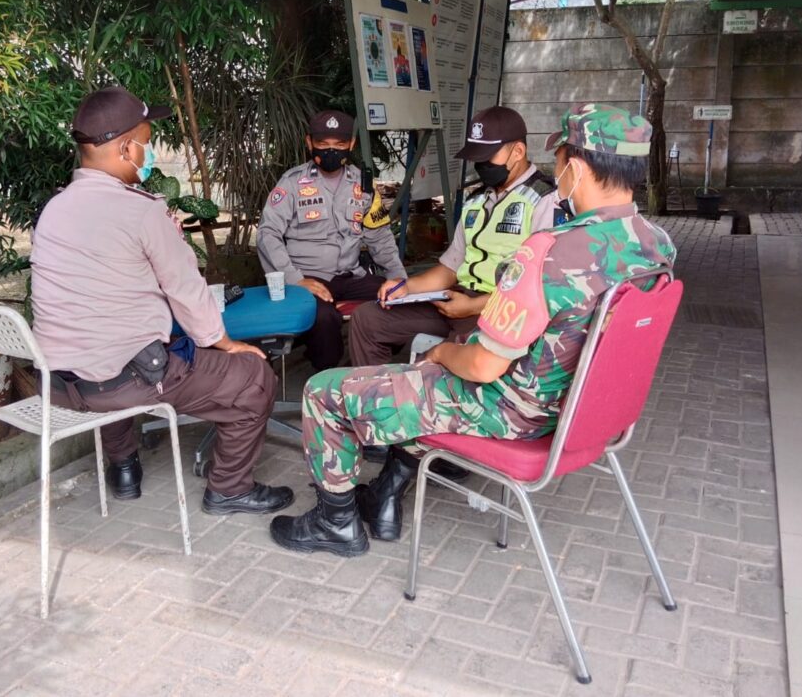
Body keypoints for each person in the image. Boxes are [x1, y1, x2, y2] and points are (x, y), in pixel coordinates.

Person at [269, 103, 676, 556]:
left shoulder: (550, 252)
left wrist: (439, 356)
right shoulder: (656, 245)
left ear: (576, 167)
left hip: (510, 410)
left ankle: (335, 522)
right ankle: (385, 494)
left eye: (559, 160)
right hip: (582, 412)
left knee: (325, 390)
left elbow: (481, 366)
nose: (556, 170)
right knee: (408, 373)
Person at [31, 86, 293, 516]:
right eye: (147, 145)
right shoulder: (141, 211)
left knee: (106, 352)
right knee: (254, 377)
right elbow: (186, 290)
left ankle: (124, 469)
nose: (148, 155)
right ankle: (229, 488)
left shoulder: (54, 210)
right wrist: (225, 343)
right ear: (127, 147)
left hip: (62, 382)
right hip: (126, 382)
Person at [348, 105, 561, 370]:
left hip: (500, 311)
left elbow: (539, 286)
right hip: (455, 300)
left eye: (487, 156)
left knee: (440, 364)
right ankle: (371, 400)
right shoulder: (477, 200)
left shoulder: (544, 200)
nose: (481, 165)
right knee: (368, 319)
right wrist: (405, 287)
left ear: (518, 152)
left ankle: (417, 399)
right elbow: (449, 269)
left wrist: (473, 307)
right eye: (476, 157)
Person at [257, 110, 407, 370]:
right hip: (307, 277)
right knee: (324, 319)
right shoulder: (292, 183)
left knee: (397, 300)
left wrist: (400, 280)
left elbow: (380, 236)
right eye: (323, 145)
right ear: (309, 143)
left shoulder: (364, 184)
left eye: (339, 146)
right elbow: (267, 234)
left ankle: (371, 356)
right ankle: (326, 372)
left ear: (351, 144)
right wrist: (296, 280)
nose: (331, 152)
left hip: (350, 276)